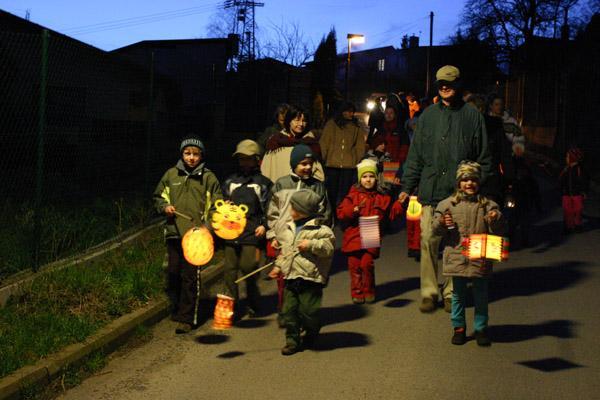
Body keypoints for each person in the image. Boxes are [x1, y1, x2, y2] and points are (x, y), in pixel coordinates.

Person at [399, 65, 493, 313]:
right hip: (430, 191)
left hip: (459, 195)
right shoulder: (428, 116)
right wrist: (408, 185)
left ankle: (452, 291)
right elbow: (416, 154)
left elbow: (484, 157)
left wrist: (482, 187)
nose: (444, 86)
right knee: (428, 240)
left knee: (455, 245)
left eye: (449, 82)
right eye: (440, 83)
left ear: (458, 84)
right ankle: (429, 292)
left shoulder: (473, 117)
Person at [153, 136, 223, 334]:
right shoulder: (171, 175)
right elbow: (158, 196)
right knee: (173, 272)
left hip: (197, 238)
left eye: (195, 154)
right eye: (187, 153)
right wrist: (164, 207)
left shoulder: (209, 178)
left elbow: (217, 207)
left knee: (190, 277)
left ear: (201, 156)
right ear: (182, 154)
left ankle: (187, 318)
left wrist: (207, 228)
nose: (191, 157)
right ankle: (176, 308)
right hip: (174, 233)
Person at [432, 161, 506, 346]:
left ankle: (481, 328)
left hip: (479, 256)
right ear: (458, 182)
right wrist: (442, 222)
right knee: (458, 294)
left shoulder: (487, 205)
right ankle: (459, 327)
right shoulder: (447, 205)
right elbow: (435, 230)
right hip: (457, 256)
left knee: (481, 294)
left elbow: (499, 229)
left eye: (473, 179)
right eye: (465, 180)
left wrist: (495, 219)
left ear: (479, 182)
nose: (469, 183)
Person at [266, 144, 332, 327]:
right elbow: (272, 212)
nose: (308, 168)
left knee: (304, 279)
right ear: (294, 164)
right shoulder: (281, 184)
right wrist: (273, 235)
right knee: (284, 281)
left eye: (310, 164)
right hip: (285, 240)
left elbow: (325, 215)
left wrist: (318, 237)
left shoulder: (318, 187)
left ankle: (304, 315)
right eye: (303, 163)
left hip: (306, 240)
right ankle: (285, 312)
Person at [267, 189, 335, 355]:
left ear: (303, 211)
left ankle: (312, 330)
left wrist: (311, 245)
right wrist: (277, 267)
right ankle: (292, 341)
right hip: (291, 276)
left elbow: (329, 249)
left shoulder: (321, 230)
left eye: (293, 208)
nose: (289, 211)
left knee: (308, 311)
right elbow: (286, 252)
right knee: (288, 311)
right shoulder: (288, 229)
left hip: (310, 278)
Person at [336, 160, 403, 304]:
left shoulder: (381, 197)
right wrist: (351, 210)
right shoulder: (352, 195)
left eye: (371, 176)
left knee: (367, 264)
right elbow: (341, 212)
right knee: (354, 265)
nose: (368, 180)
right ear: (360, 178)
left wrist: (399, 203)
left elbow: (391, 214)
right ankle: (357, 292)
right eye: (365, 176)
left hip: (370, 230)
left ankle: (369, 290)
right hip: (353, 233)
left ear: (376, 178)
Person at [221, 139, 273, 318]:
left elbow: (269, 208)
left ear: (256, 159)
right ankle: (231, 307)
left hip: (251, 233)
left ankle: (253, 300)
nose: (244, 162)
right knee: (229, 271)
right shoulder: (230, 181)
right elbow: (221, 205)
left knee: (248, 268)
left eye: (248, 159)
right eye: (241, 158)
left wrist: (264, 225)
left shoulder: (263, 183)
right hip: (230, 232)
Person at [319, 101, 366, 208]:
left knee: (345, 193)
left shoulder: (356, 127)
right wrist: (324, 158)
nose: (351, 114)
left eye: (352, 112)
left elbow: (360, 145)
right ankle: (332, 215)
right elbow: (324, 142)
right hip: (332, 164)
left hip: (349, 166)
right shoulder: (332, 124)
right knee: (332, 192)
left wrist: (356, 159)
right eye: (348, 111)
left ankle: (343, 215)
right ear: (342, 111)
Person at [261, 105, 325, 183]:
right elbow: (267, 168)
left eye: (304, 121)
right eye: (297, 120)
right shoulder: (276, 141)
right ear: (289, 121)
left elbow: (317, 172)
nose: (301, 124)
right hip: (280, 189)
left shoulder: (311, 143)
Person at [559, 147, 588, 233]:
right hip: (567, 194)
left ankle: (577, 226)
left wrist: (584, 191)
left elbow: (585, 181)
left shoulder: (580, 169)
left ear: (572, 158)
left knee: (577, 211)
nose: (566, 158)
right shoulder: (566, 169)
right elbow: (560, 180)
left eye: (567, 157)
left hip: (577, 194)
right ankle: (568, 227)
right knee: (567, 212)